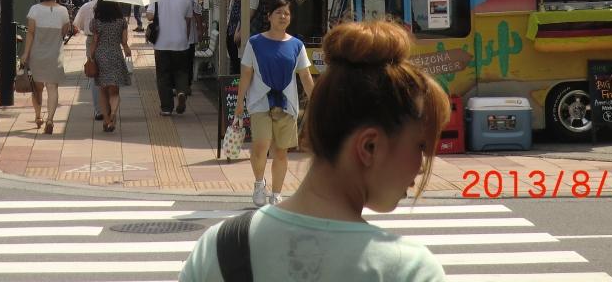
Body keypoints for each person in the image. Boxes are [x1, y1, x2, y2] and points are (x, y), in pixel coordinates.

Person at [180, 20, 451, 282]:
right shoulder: (408, 269)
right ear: (369, 146)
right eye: (420, 146)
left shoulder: (220, 249)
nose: (422, 166)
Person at [235, 0, 315, 207]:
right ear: (269, 16)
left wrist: (316, 102)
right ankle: (259, 184)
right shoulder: (255, 43)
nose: (283, 16)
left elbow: (305, 76)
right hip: (260, 101)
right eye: (278, 12)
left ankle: (277, 193)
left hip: (287, 104)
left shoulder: (297, 45)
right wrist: (239, 102)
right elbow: (246, 74)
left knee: (281, 151)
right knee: (261, 145)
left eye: (286, 13)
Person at [21, 0, 73, 134]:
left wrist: (26, 53)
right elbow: (65, 31)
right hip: (55, 53)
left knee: (37, 88)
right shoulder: (63, 11)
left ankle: (38, 116)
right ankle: (50, 119)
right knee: (52, 87)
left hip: (37, 53)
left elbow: (30, 33)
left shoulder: (35, 9)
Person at [147, 0, 194, 116]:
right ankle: (181, 92)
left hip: (162, 42)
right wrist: (185, 39)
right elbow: (188, 21)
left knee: (163, 75)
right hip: (180, 42)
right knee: (181, 71)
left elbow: (149, 16)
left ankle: (166, 108)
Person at [87, 0, 131, 132]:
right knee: (114, 91)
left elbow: (95, 41)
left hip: (100, 56)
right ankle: (113, 114)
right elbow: (124, 41)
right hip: (116, 55)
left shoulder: (96, 22)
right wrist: (126, 48)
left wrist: (91, 56)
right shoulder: (122, 21)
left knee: (103, 90)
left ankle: (106, 119)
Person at [215, 0, 259, 74]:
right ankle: (235, 82)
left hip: (239, 31)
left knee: (239, 63)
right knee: (234, 61)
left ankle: (239, 82)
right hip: (231, 30)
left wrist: (239, 31)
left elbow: (248, 15)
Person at [73, 0, 104, 121]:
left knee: (95, 75)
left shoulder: (87, 6)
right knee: (109, 74)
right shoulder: (114, 7)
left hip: (91, 40)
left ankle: (98, 110)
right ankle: (110, 108)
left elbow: (78, 25)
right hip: (109, 42)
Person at [173, 0, 204, 89]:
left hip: (190, 34)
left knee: (188, 60)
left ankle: (187, 85)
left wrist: (200, 29)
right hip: (175, 34)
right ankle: (178, 85)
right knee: (177, 61)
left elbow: (197, 13)